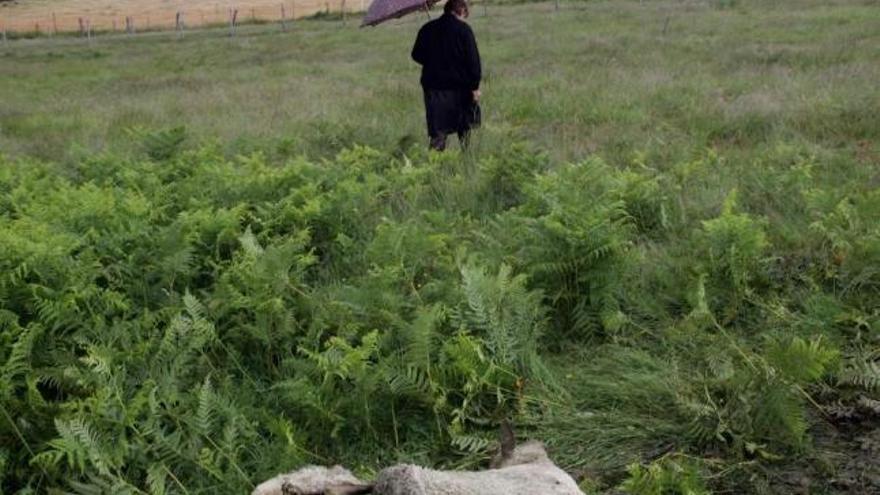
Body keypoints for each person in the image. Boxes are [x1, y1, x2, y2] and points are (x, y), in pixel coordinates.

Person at [411, 0, 482, 151]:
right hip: (460, 89)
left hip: (434, 89)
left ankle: (435, 165)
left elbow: (416, 55)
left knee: (438, 131)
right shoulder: (464, 30)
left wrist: (432, 59)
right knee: (464, 127)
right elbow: (474, 62)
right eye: (465, 15)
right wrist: (475, 87)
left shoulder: (427, 29)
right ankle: (466, 158)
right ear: (461, 10)